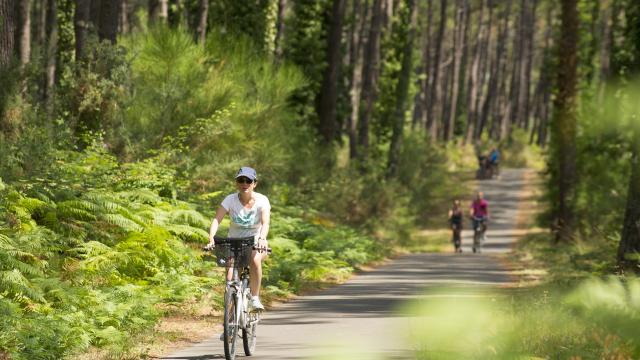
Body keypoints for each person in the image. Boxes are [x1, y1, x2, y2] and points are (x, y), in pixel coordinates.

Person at [206, 166, 271, 313]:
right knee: (230, 281)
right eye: (241, 180)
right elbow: (217, 219)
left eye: (248, 180)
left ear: (254, 183)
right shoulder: (230, 200)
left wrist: (262, 238)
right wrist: (211, 238)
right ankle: (229, 324)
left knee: (254, 260)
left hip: (255, 241)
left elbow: (265, 222)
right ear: (237, 183)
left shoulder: (262, 200)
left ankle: (255, 298)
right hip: (234, 243)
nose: (245, 184)